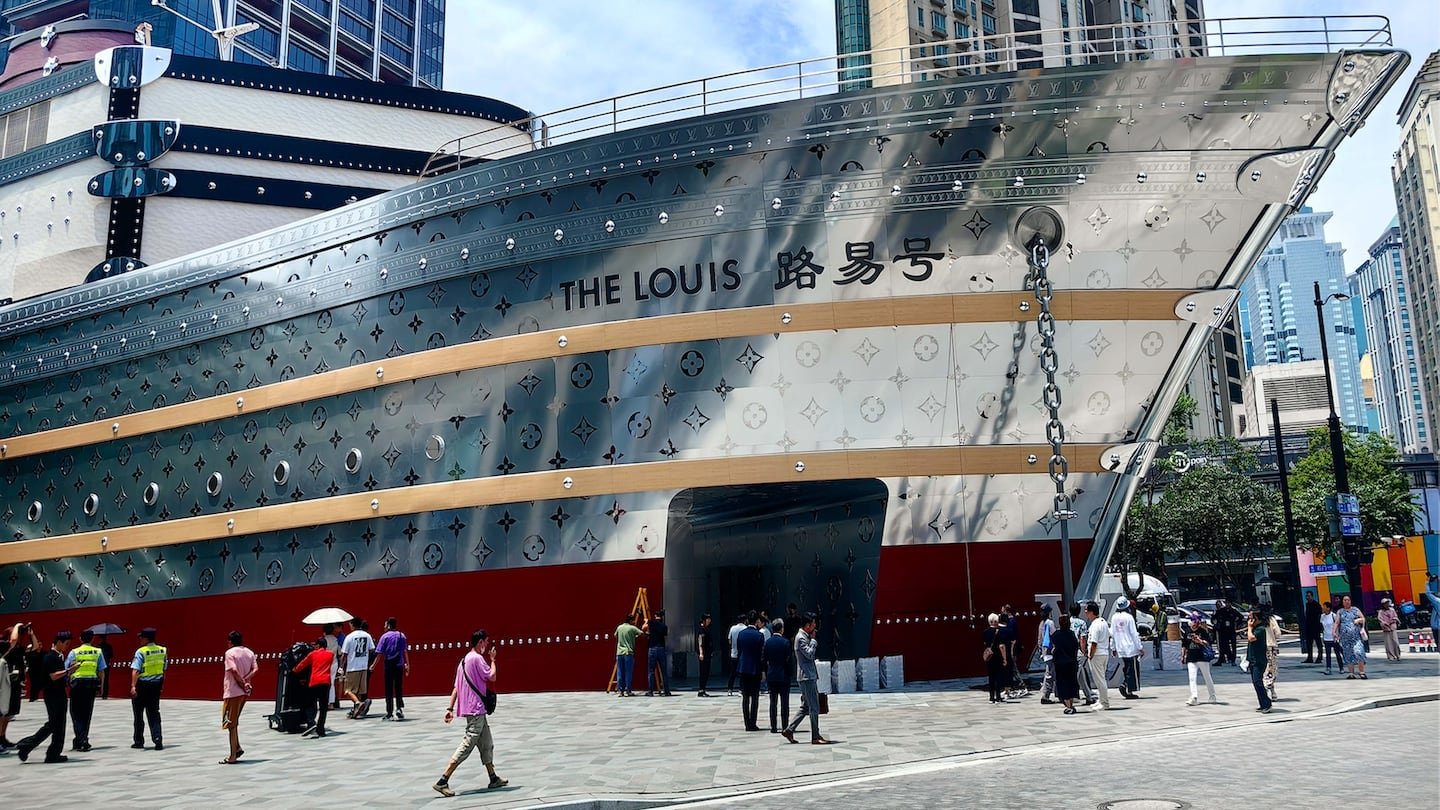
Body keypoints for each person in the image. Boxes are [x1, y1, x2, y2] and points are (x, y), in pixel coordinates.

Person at [434, 630, 507, 797]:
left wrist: (449, 709)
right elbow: (492, 676)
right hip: (476, 709)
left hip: (472, 710)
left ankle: (493, 777)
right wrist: (493, 660)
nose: (487, 645)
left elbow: (456, 688)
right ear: (480, 642)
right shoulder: (477, 659)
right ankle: (443, 780)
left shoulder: (463, 661)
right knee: (467, 745)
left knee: (487, 743)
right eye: (486, 642)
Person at [16, 631, 76, 763]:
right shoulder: (50, 657)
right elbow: (53, 676)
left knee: (57, 725)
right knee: (54, 724)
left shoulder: (58, 656)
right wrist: (68, 671)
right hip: (53, 695)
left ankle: (52, 753)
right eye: (66, 643)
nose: (67, 646)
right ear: (59, 642)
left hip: (58, 693)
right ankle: (28, 745)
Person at [781, 613, 829, 744]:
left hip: (808, 675)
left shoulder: (803, 636)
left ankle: (789, 730)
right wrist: (813, 641)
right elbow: (810, 654)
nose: (815, 626)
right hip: (806, 676)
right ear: (808, 625)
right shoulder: (801, 638)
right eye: (813, 624)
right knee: (814, 707)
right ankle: (815, 736)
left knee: (806, 706)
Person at [220, 630, 258, 764]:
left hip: (233, 692)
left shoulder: (229, 653)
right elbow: (255, 669)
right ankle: (237, 748)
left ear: (230, 642)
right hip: (244, 693)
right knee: (234, 721)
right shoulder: (249, 652)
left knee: (230, 723)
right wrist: (247, 681)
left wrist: (242, 683)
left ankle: (232, 756)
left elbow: (234, 670)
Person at [65, 629, 106, 752]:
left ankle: (81, 739)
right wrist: (101, 687)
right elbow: (101, 671)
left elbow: (67, 668)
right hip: (91, 684)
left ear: (80, 639)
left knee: (76, 713)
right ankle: (82, 739)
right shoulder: (98, 651)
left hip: (77, 684)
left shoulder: (74, 652)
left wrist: (67, 681)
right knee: (87, 713)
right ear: (92, 639)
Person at [130, 627, 168, 750]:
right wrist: (161, 685)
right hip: (156, 685)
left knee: (138, 714)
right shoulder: (162, 650)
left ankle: (139, 741)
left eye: (141, 637)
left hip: (142, 685)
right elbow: (164, 670)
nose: (140, 639)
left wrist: (133, 686)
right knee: (154, 713)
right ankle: (157, 739)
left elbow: (136, 670)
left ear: (146, 638)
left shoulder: (141, 652)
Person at [293, 637, 335, 737]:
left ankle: (311, 722)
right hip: (326, 682)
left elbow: (302, 664)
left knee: (310, 704)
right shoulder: (331, 654)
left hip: (314, 681)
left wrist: (295, 670)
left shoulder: (313, 654)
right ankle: (321, 729)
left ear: (318, 645)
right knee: (323, 707)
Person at [0, 623, 31, 749]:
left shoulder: (18, 648)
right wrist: (17, 625)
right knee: (2, 712)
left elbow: (33, 648)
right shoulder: (3, 645)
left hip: (14, 682)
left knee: (8, 713)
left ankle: (2, 737)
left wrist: (31, 634)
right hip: (4, 683)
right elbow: (12, 640)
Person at [374, 617, 410, 720]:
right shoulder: (401, 635)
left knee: (388, 689)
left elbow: (379, 653)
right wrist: (407, 665)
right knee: (398, 688)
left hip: (389, 666)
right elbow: (405, 652)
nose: (384, 627)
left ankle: (389, 712)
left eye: (385, 625)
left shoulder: (384, 637)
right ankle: (399, 708)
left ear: (389, 625)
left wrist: (373, 665)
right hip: (399, 665)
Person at [340, 618, 375, 718]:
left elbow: (344, 654)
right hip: (363, 666)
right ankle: (357, 710)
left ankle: (357, 703)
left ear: (352, 624)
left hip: (352, 667)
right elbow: (372, 649)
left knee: (348, 690)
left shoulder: (349, 637)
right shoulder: (367, 635)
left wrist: (341, 666)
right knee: (360, 691)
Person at [735, 612, 765, 731]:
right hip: (755, 668)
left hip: (743, 668)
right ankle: (753, 722)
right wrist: (763, 670)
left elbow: (739, 650)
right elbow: (761, 655)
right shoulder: (759, 635)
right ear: (756, 621)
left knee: (745, 697)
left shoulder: (741, 634)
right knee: (755, 697)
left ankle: (747, 724)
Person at [1111, 597, 1144, 698]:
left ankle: (1126, 686)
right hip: (1131, 648)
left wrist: (1113, 647)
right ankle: (1126, 687)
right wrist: (1140, 647)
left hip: (1121, 648)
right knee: (1132, 670)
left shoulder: (1114, 617)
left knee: (1127, 668)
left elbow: (1112, 634)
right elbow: (1134, 634)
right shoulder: (1129, 617)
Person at [1180, 612, 1217, 705]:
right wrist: (1183, 655)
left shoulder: (1202, 631)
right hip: (1191, 657)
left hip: (1202, 657)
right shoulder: (1187, 631)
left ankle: (1212, 696)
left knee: (1207, 677)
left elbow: (1208, 643)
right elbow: (1184, 645)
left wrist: (1199, 641)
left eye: (1192, 620)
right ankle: (1194, 697)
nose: (1191, 622)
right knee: (1192, 678)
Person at [1049, 607, 1080, 715]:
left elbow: (1053, 649)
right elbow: (1075, 646)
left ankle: (1068, 706)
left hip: (1060, 663)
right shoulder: (1071, 634)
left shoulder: (1055, 635)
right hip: (1071, 662)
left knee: (1063, 684)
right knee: (1071, 682)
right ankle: (1070, 704)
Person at [763, 619, 790, 732]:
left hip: (772, 674)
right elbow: (788, 661)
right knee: (784, 703)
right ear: (781, 629)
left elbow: (764, 659)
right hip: (783, 675)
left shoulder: (768, 642)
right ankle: (785, 726)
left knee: (773, 702)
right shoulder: (785, 642)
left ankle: (773, 726)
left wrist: (765, 672)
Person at [1083, 602, 1111, 710]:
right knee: (1100, 678)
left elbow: (1094, 643)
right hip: (1104, 652)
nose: (1085, 613)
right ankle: (1101, 700)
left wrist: (1090, 655)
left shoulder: (1095, 625)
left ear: (1091, 612)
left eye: (1087, 611)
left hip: (1097, 654)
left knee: (1099, 679)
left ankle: (1104, 703)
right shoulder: (1103, 622)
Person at [1246, 610, 1272, 713]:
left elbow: (1251, 638)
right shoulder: (1255, 628)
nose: (1249, 621)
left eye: (1251, 618)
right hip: (1253, 659)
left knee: (1258, 681)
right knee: (1255, 683)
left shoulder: (1260, 629)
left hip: (1259, 660)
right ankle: (1262, 703)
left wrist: (1249, 627)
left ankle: (1267, 703)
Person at [1336, 595, 1367, 679]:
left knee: (1359, 652)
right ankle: (1351, 673)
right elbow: (1337, 623)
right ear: (1342, 602)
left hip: (1356, 637)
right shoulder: (1340, 611)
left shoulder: (1355, 610)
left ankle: (1362, 672)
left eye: (1348, 600)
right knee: (1348, 654)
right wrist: (1334, 632)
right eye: (1345, 600)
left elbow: (1363, 618)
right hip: (1345, 638)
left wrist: (1359, 620)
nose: (1347, 601)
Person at [1070, 604, 1096, 705]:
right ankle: (1071, 696)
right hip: (1078, 651)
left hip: (1069, 651)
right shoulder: (1082, 623)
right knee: (1076, 675)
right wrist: (1084, 651)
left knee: (1081, 675)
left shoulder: (1068, 621)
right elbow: (1083, 639)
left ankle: (1088, 696)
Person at [613, 613, 642, 697]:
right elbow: (642, 633)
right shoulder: (632, 628)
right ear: (631, 620)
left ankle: (621, 691)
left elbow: (615, 635)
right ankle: (628, 690)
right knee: (628, 672)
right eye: (633, 620)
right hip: (628, 652)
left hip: (619, 653)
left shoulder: (619, 627)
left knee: (620, 672)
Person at [982, 613, 1009, 704]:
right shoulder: (999, 632)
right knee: (998, 677)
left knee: (991, 677)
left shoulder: (985, 632)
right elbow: (1001, 646)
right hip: (998, 656)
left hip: (989, 657)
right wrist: (1005, 658)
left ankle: (991, 697)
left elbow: (985, 644)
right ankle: (998, 696)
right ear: (996, 621)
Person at [644, 609, 671, 696]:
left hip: (652, 648)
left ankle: (650, 691)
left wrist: (646, 622)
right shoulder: (664, 626)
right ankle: (667, 691)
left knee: (651, 671)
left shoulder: (651, 622)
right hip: (661, 648)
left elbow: (644, 627)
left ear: (655, 616)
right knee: (664, 671)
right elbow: (665, 635)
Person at [1036, 604, 1057, 705]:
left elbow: (1039, 639)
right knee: (1050, 674)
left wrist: (1041, 651)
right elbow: (1054, 636)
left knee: (1051, 673)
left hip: (1045, 652)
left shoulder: (1041, 624)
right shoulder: (1050, 623)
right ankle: (1045, 695)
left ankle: (1056, 693)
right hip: (1051, 651)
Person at [1214, 599, 1242, 666]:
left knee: (1233, 646)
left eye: (1228, 603)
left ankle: (1233, 660)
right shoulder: (1221, 611)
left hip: (1231, 630)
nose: (1227, 604)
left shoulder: (1233, 611)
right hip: (1223, 630)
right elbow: (1214, 618)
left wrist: (1236, 624)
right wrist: (1216, 623)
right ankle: (1221, 659)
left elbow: (1241, 617)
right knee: (1223, 645)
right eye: (1226, 603)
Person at [1262, 610, 1282, 700]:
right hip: (1271, 646)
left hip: (1260, 647)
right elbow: (1278, 633)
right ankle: (1271, 690)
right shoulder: (1271, 619)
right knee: (1271, 669)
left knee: (1263, 670)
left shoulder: (1256, 619)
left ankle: (1267, 690)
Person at [322, 624, 342, 710]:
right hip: (334, 662)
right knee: (332, 683)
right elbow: (340, 652)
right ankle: (331, 703)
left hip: (325, 664)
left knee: (325, 683)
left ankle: (325, 702)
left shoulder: (323, 640)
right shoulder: (336, 640)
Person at [725, 615, 745, 696]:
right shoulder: (745, 628)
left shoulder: (732, 628)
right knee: (742, 673)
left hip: (733, 653)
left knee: (732, 672)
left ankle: (730, 689)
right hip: (742, 654)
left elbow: (729, 640)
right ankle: (741, 690)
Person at [1319, 599, 1340, 674]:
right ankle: (1328, 668)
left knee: (1337, 653)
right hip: (1326, 638)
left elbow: (1337, 625)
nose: (1323, 608)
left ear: (1328, 608)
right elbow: (1322, 626)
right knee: (1328, 654)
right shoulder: (1322, 616)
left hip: (1334, 637)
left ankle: (1341, 667)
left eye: (1324, 607)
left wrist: (1337, 635)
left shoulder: (1333, 615)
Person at [695, 614, 713, 697]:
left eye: (709, 619)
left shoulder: (707, 629)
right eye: (707, 619)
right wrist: (701, 653)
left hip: (708, 654)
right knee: (703, 672)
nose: (709, 621)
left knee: (706, 672)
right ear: (704, 620)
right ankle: (701, 690)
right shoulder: (702, 630)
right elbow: (700, 642)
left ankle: (703, 689)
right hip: (704, 654)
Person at [1302, 592, 1323, 663]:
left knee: (1318, 643)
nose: (1307, 597)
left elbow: (1319, 616)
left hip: (1315, 626)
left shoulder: (1316, 605)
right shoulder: (1307, 604)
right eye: (1306, 596)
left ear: (1312, 596)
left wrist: (1319, 626)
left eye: (1309, 596)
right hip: (1309, 626)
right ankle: (1309, 657)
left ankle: (1320, 657)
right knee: (1309, 643)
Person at [1148, 599, 1165, 670]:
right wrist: (1152, 628)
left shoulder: (1163, 614)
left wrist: (1160, 631)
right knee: (1158, 644)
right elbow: (1156, 622)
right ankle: (1158, 656)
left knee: (1162, 644)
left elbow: (1162, 624)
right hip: (1159, 631)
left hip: (1163, 632)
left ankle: (1163, 656)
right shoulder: (1156, 614)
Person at [96, 635, 115, 699]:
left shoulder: (98, 647)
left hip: (99, 665)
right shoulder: (109, 646)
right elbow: (111, 655)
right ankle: (104, 694)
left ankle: (99, 692)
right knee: (106, 679)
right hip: (106, 665)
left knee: (99, 679)